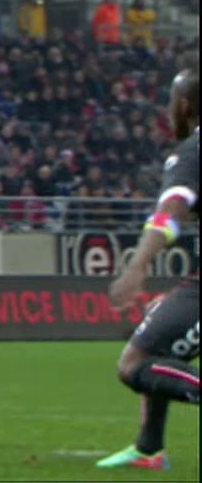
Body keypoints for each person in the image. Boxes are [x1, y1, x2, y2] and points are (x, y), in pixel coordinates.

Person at [97, 68, 199, 470]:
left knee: (135, 363)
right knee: (157, 327)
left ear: (185, 106)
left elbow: (170, 213)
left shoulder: (192, 153)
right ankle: (148, 447)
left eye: (171, 101)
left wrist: (137, 266)